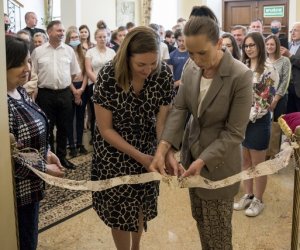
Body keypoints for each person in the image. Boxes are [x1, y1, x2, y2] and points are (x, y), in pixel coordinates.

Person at [149, 10, 253, 249]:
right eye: (191, 52)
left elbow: (234, 133)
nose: (196, 59)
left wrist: (204, 160)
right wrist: (164, 148)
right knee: (201, 222)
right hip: (191, 158)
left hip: (219, 165)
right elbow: (180, 109)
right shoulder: (191, 66)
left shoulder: (240, 75)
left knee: (218, 234)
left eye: (202, 52)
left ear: (218, 43)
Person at [92, 26, 174, 250]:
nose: (148, 70)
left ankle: (136, 247)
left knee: (140, 205)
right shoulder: (108, 76)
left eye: (152, 63)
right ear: (127, 57)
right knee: (119, 210)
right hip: (114, 153)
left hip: (147, 146)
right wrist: (141, 157)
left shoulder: (163, 74)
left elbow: (162, 120)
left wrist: (161, 152)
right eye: (141, 65)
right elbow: (105, 129)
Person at [6, 35, 64, 250]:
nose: (27, 68)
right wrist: (44, 168)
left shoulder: (19, 91)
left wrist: (47, 151)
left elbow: (32, 133)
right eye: (19, 63)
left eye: (28, 61)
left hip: (31, 188)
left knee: (30, 235)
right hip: (17, 193)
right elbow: (10, 157)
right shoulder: (5, 104)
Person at [234, 32, 278, 217]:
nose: (249, 49)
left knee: (258, 164)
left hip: (258, 121)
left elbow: (264, 101)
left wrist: (245, 115)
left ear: (260, 46)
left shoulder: (268, 69)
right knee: (245, 161)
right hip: (242, 121)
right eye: (246, 46)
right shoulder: (242, 67)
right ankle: (248, 194)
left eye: (252, 45)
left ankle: (259, 200)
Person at [31, 20, 81, 170]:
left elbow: (74, 74)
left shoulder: (69, 50)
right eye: (58, 30)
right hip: (45, 94)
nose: (62, 33)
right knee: (48, 128)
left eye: (63, 30)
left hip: (65, 94)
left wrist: (63, 83)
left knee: (64, 127)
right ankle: (50, 158)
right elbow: (33, 74)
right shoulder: (38, 51)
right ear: (49, 32)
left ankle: (62, 158)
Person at [85, 20, 116, 145]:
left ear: (108, 37)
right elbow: (88, 70)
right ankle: (94, 136)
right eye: (99, 37)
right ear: (95, 38)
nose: (102, 39)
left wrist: (107, 84)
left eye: (104, 36)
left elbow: (115, 69)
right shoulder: (90, 52)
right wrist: (99, 83)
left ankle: (109, 136)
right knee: (94, 112)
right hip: (94, 84)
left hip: (110, 86)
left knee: (109, 112)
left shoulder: (112, 52)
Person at [265, 34, 291, 158]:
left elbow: (285, 82)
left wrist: (275, 99)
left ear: (277, 46)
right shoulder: (263, 60)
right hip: (264, 98)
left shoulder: (285, 61)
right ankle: (264, 152)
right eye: (267, 44)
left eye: (272, 44)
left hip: (279, 99)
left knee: (276, 126)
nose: (269, 46)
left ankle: (274, 154)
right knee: (264, 125)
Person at [65, 27, 89, 157]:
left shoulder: (83, 53)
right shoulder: (65, 53)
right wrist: (75, 92)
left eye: (77, 37)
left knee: (80, 117)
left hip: (82, 87)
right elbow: (66, 75)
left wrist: (82, 89)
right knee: (70, 118)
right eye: (73, 37)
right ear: (68, 39)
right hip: (70, 87)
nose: (75, 39)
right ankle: (72, 145)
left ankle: (80, 144)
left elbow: (85, 73)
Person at [281, 22, 300, 113]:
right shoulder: (289, 45)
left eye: (295, 30)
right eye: (291, 31)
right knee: (289, 117)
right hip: (288, 88)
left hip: (298, 88)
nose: (292, 33)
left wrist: (290, 56)